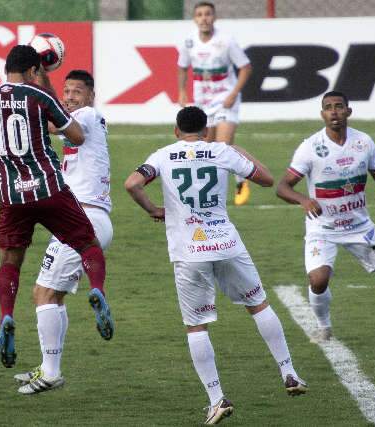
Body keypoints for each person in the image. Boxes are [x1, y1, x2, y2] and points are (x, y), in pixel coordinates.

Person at [0, 46, 114, 371]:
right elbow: (76, 136)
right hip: (49, 188)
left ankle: (6, 317)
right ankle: (96, 289)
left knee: (10, 262)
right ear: (32, 71)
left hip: (12, 196)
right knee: (87, 244)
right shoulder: (39, 96)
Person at [125, 106, 307, 425]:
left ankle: (216, 399)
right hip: (226, 244)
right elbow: (265, 179)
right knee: (258, 304)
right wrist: (235, 148)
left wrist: (153, 208)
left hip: (189, 250)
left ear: (176, 130)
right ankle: (289, 373)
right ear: (206, 130)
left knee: (197, 326)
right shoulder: (221, 150)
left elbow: (131, 184)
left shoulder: (163, 154)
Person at [276, 91, 375, 342]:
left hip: (360, 225)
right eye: (328, 107)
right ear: (322, 114)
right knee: (318, 280)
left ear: (348, 111)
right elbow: (282, 187)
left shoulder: (364, 142)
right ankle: (324, 327)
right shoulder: (310, 147)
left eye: (339, 106)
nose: (334, 111)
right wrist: (303, 199)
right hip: (323, 228)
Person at [12, 69, 113, 394]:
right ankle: (48, 365)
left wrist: (37, 89)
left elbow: (55, 122)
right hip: (83, 217)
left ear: (90, 96)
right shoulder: (80, 116)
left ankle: (52, 371)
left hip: (83, 219)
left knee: (42, 293)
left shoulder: (87, 115)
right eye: (66, 91)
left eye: (77, 92)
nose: (70, 97)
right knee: (53, 296)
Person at [177, 1, 253, 206]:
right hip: (203, 102)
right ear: (195, 19)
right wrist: (182, 91)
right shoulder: (189, 42)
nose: (204, 18)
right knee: (208, 148)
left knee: (223, 145)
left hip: (225, 99)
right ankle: (218, 189)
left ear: (214, 17)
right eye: (200, 14)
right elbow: (182, 67)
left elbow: (246, 68)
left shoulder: (226, 41)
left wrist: (233, 93)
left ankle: (241, 180)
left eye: (208, 14)